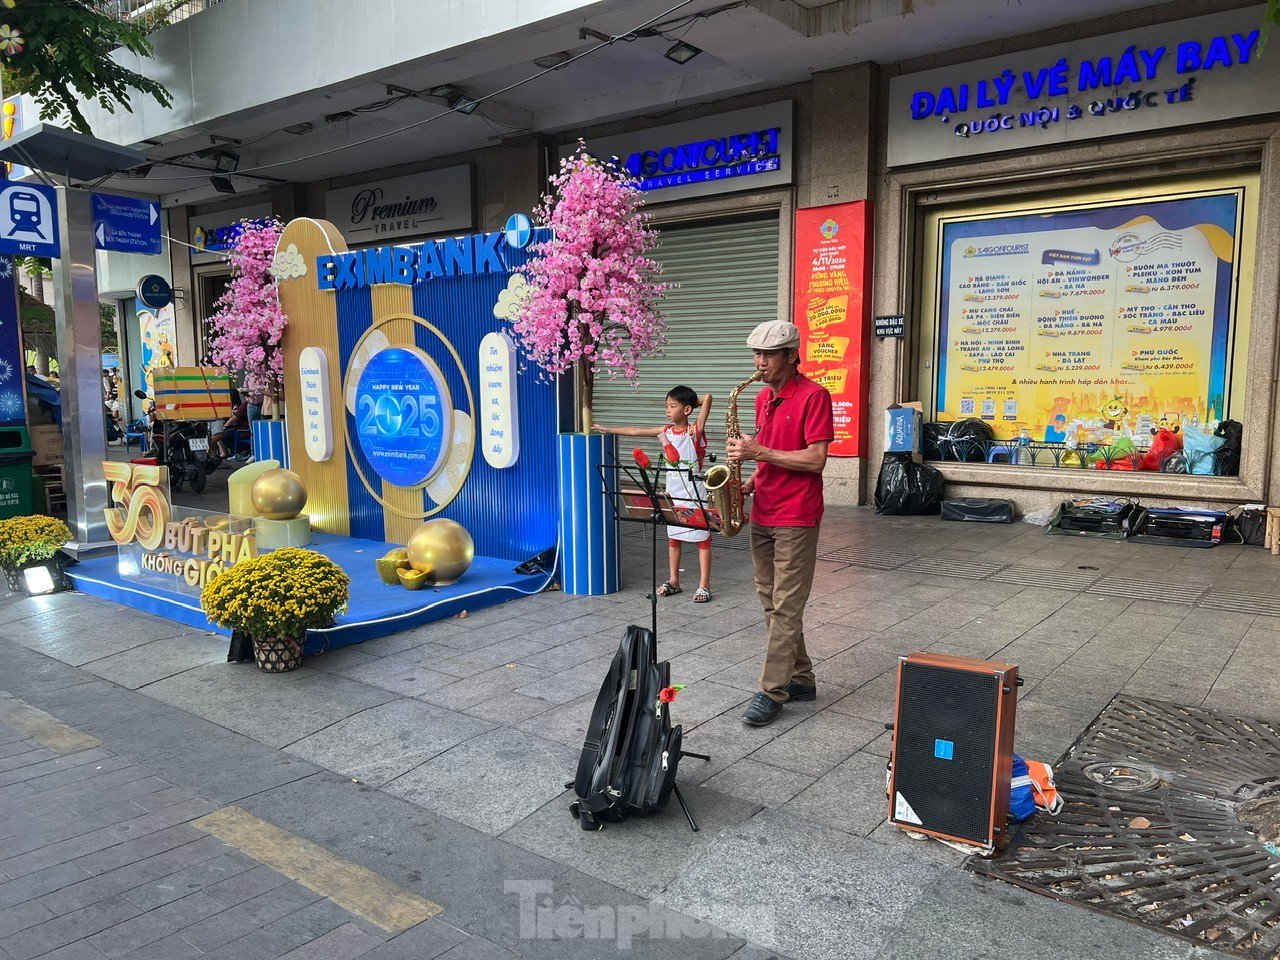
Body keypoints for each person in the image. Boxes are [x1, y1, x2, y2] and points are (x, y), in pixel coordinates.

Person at [727, 320, 834, 726]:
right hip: (764, 510)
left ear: (792, 355)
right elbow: (770, 455)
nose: (760, 363)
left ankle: (772, 690)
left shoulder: (814, 396)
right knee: (770, 599)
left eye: (768, 355)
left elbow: (815, 460)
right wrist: (750, 482)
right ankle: (802, 677)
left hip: (797, 516)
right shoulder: (759, 399)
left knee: (787, 604)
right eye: (756, 354)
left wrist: (758, 452)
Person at [595, 386, 715, 603]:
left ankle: (704, 585)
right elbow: (635, 431)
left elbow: (708, 398)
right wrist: (609, 429)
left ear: (687, 410)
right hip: (672, 492)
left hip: (694, 491)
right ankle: (674, 580)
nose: (667, 410)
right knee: (674, 538)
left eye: (672, 406)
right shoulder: (666, 431)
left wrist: (692, 403)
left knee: (701, 538)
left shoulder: (695, 431)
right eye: (667, 406)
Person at [211, 388, 250, 460]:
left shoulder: (242, 405)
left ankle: (241, 452)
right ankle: (223, 452)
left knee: (222, 435)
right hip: (239, 427)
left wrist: (224, 427)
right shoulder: (243, 404)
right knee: (219, 435)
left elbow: (233, 418)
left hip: (241, 429)